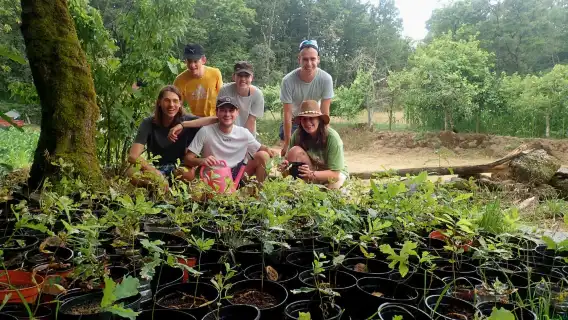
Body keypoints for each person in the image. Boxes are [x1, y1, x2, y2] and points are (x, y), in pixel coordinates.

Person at [127, 85, 217, 188]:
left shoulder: (187, 120)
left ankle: (170, 187)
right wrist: (155, 172)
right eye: (167, 100)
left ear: (180, 104)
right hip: (155, 168)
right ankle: (158, 186)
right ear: (159, 103)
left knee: (188, 173)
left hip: (179, 168)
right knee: (131, 173)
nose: (171, 105)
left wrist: (183, 124)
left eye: (175, 101)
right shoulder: (148, 123)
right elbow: (133, 156)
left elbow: (216, 119)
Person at [185, 96, 277, 185]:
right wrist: (202, 160)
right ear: (216, 112)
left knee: (263, 155)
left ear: (237, 112)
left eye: (231, 110)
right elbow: (188, 159)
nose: (227, 114)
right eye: (223, 110)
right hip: (214, 175)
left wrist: (269, 150)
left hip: (237, 174)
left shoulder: (243, 133)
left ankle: (258, 195)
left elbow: (260, 148)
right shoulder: (205, 131)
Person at [279, 39, 334, 156]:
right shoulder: (288, 81)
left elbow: (325, 111)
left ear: (318, 59)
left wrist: (326, 137)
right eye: (305, 59)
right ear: (299, 60)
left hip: (316, 119)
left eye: (312, 59)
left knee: (319, 152)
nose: (309, 63)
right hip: (296, 121)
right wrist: (287, 143)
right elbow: (287, 114)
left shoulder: (326, 79)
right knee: (295, 153)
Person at [280, 100, 347, 189]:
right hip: (311, 171)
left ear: (319, 119)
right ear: (300, 121)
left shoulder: (332, 137)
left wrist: (311, 174)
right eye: (304, 119)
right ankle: (297, 192)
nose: (308, 123)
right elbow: (289, 164)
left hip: (333, 175)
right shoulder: (297, 134)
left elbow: (335, 173)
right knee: (294, 151)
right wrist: (285, 167)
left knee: (334, 189)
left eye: (311, 118)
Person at [174, 44, 223, 117]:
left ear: (203, 60)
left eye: (195, 61)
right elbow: (176, 103)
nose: (192, 65)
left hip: (215, 118)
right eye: (189, 61)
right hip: (195, 120)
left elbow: (222, 96)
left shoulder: (215, 74)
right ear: (185, 61)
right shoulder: (180, 80)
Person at [218, 61, 264, 134]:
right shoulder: (225, 90)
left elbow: (251, 120)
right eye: (240, 75)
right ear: (234, 77)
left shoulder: (257, 95)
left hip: (247, 134)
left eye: (246, 76)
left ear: (252, 78)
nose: (243, 79)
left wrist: (242, 140)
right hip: (226, 132)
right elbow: (221, 116)